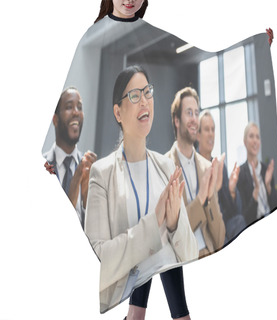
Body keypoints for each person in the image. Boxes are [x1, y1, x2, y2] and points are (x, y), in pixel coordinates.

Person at [85, 66, 198, 317]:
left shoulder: (167, 166)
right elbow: (97, 258)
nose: (145, 100)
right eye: (134, 95)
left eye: (148, 92)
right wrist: (154, 222)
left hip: (164, 281)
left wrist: (173, 222)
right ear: (118, 112)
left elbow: (190, 252)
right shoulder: (102, 174)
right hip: (120, 294)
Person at [166, 87, 225, 259]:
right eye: (189, 113)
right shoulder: (164, 167)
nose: (194, 119)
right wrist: (200, 199)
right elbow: (173, 236)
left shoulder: (207, 167)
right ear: (177, 120)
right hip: (184, 260)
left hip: (210, 253)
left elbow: (220, 238)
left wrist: (210, 199)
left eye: (196, 113)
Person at [43, 87, 97, 229]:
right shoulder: (42, 167)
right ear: (55, 119)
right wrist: (72, 192)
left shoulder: (91, 170)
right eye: (68, 107)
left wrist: (87, 200)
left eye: (79, 107)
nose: (76, 112)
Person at [197, 111, 246, 245]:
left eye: (213, 129)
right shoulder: (193, 165)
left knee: (240, 220)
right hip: (204, 229)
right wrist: (215, 188)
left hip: (223, 227)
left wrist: (231, 190)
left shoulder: (220, 166)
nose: (211, 133)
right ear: (198, 135)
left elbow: (233, 212)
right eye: (207, 129)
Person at [237, 122, 277, 226]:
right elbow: (245, 217)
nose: (255, 141)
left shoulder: (266, 170)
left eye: (257, 137)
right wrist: (256, 191)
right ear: (245, 142)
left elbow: (276, 206)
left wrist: (268, 186)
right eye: (251, 136)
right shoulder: (240, 174)